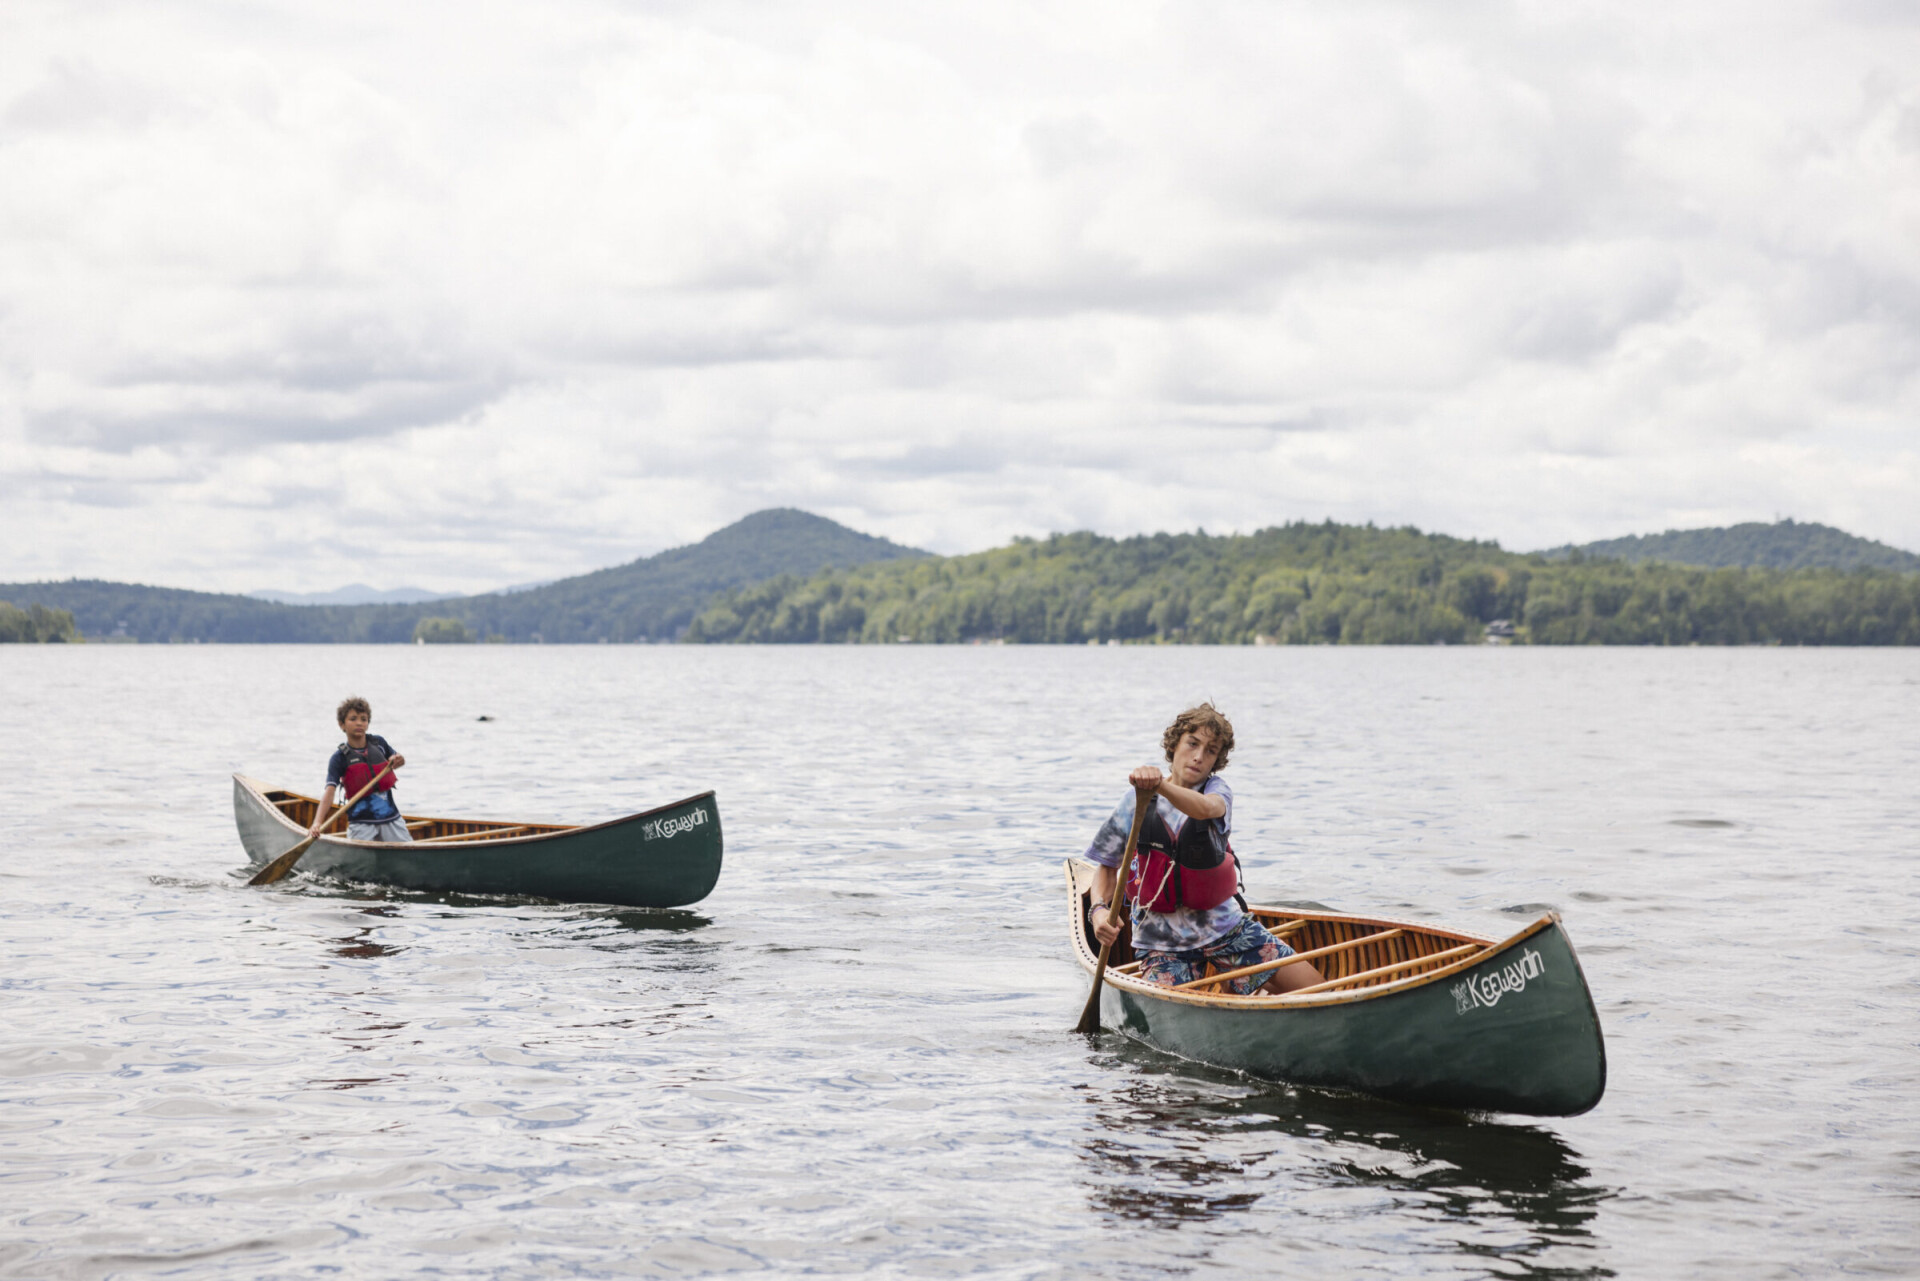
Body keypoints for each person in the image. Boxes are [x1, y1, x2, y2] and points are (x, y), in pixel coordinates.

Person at [1086, 703, 1324, 995]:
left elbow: (1205, 809)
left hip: (1226, 930)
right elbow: (1107, 865)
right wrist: (1098, 911)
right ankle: (1236, 990)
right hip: (1161, 944)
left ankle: (1239, 988)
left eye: (1210, 751)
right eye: (1193, 743)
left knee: (1318, 990)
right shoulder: (1135, 801)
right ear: (1174, 745)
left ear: (1216, 761)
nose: (1199, 757)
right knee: (1176, 1015)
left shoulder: (1217, 792)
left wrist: (1159, 785)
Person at [309, 696, 412, 842]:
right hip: (361, 824)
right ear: (342, 724)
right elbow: (329, 792)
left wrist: (399, 759)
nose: (359, 723)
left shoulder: (379, 743)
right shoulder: (339, 758)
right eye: (353, 719)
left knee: (408, 854)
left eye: (363, 719)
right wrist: (317, 823)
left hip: (391, 819)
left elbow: (398, 759)